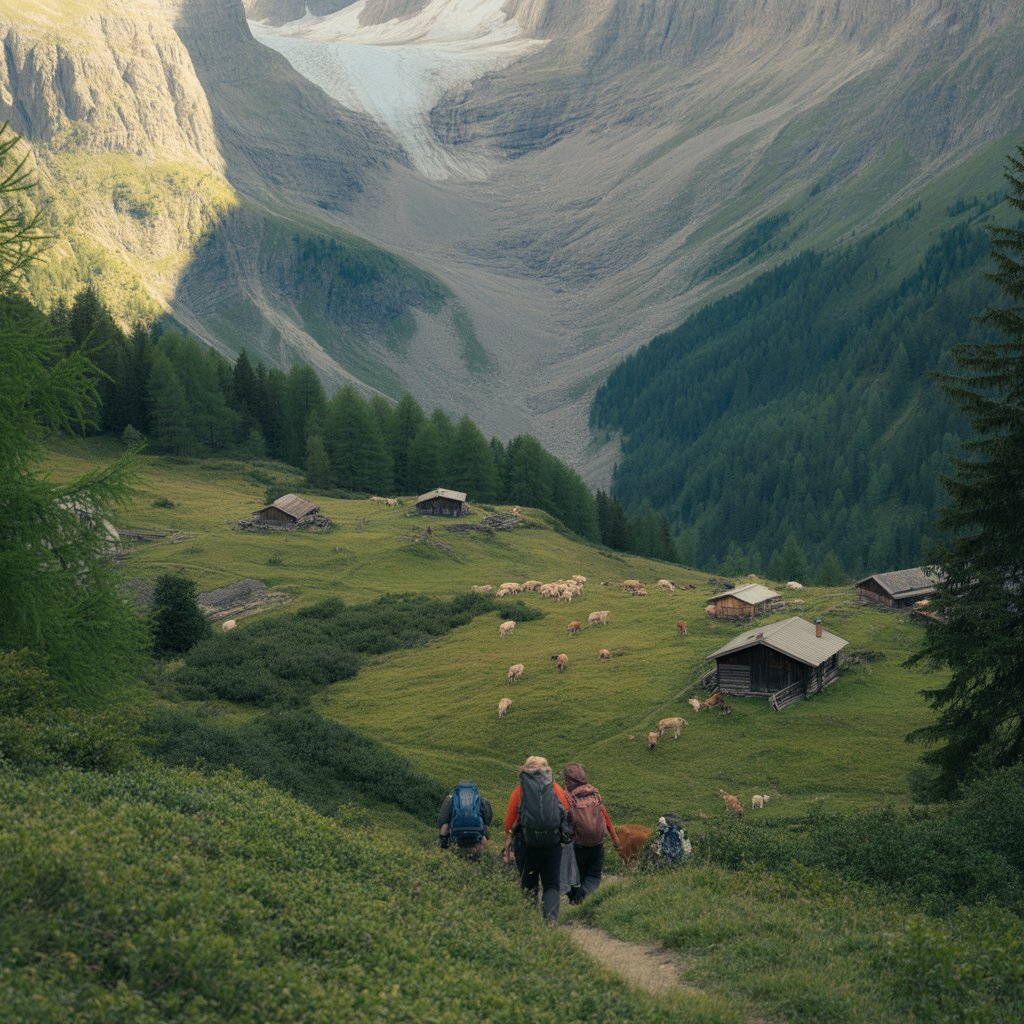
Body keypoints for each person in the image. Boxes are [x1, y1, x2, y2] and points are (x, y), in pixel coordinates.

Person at [502, 755, 571, 922]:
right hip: (551, 845)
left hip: (526, 846)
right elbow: (566, 813)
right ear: (546, 770)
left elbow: (509, 824)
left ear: (525, 770)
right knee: (551, 884)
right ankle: (551, 921)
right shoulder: (556, 789)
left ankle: (530, 922)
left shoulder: (519, 790)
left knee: (528, 885)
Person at [562, 762, 620, 904]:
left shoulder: (566, 796)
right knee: (593, 875)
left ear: (567, 779)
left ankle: (575, 901)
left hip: (577, 844)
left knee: (574, 876)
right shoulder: (594, 793)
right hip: (597, 843)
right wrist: (616, 840)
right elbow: (605, 817)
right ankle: (582, 896)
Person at [437, 780, 493, 860]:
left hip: (457, 833)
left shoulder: (450, 799)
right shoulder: (481, 800)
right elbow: (488, 818)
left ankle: (443, 847)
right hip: (476, 835)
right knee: (485, 828)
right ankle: (486, 856)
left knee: (445, 825)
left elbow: (442, 820)